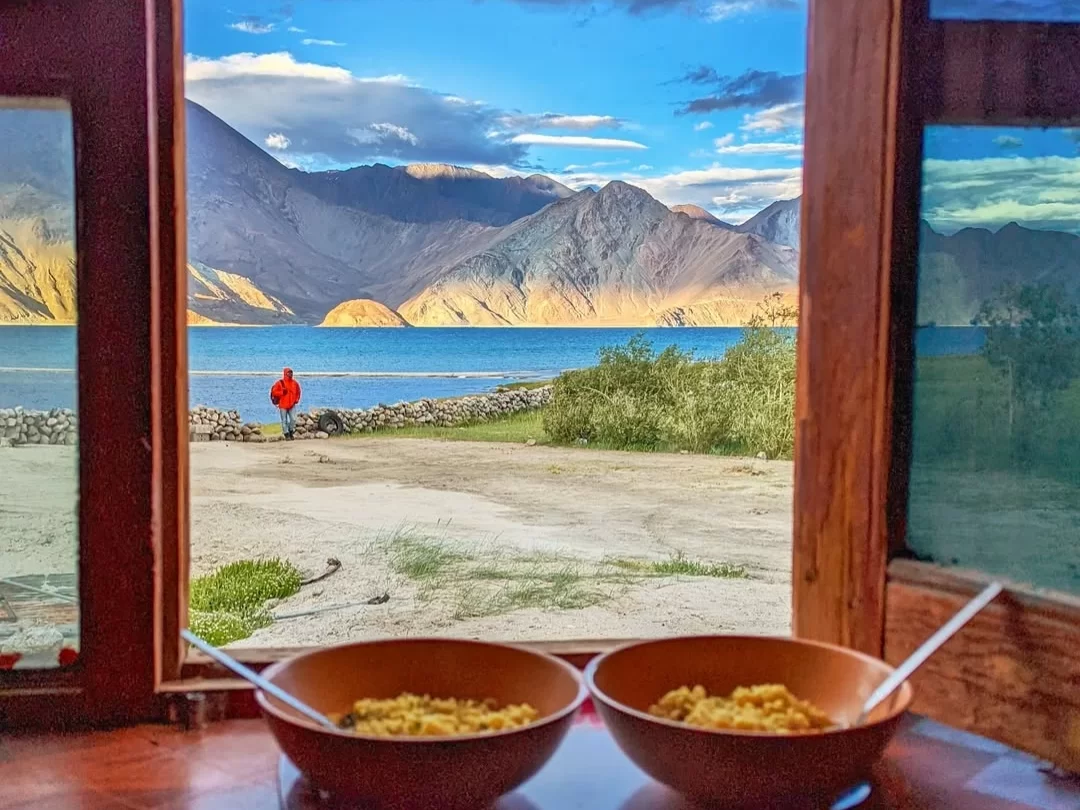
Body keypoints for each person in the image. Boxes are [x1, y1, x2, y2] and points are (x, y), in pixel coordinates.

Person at [270, 367, 302, 440]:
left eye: (291, 372)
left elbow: (298, 392)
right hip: (283, 405)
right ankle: (286, 434)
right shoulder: (279, 383)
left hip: (292, 404)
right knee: (284, 420)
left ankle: (291, 431)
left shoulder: (295, 383)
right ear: (285, 373)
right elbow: (274, 392)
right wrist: (282, 392)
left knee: (293, 419)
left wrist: (297, 399)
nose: (290, 374)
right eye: (288, 372)